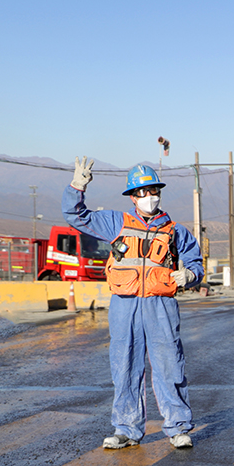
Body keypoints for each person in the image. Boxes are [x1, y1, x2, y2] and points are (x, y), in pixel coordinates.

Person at [63, 159, 203, 450]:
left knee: (169, 366)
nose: (147, 197)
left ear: (159, 193)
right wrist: (78, 186)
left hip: (160, 305)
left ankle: (177, 427)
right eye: (140, 192)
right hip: (124, 306)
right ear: (132, 196)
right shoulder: (116, 223)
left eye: (151, 190)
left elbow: (194, 262)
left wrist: (190, 274)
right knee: (124, 365)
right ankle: (126, 428)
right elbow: (76, 216)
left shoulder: (175, 232)